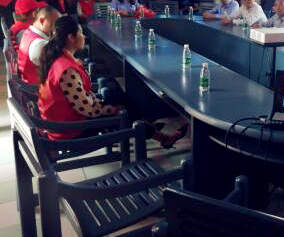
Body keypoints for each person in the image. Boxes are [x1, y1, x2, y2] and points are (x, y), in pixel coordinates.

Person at [37, 16, 185, 147]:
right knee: (123, 109)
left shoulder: (58, 59)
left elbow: (80, 99)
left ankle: (147, 127)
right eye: (81, 33)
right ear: (71, 38)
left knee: (122, 98)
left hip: (66, 122)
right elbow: (86, 109)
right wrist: (112, 109)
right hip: (72, 131)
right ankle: (160, 136)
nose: (84, 36)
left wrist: (103, 103)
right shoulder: (66, 69)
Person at [18, 6, 60, 85]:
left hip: (29, 83)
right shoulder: (39, 44)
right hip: (37, 88)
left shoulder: (28, 32)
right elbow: (57, 67)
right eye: (53, 24)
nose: (55, 28)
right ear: (42, 20)